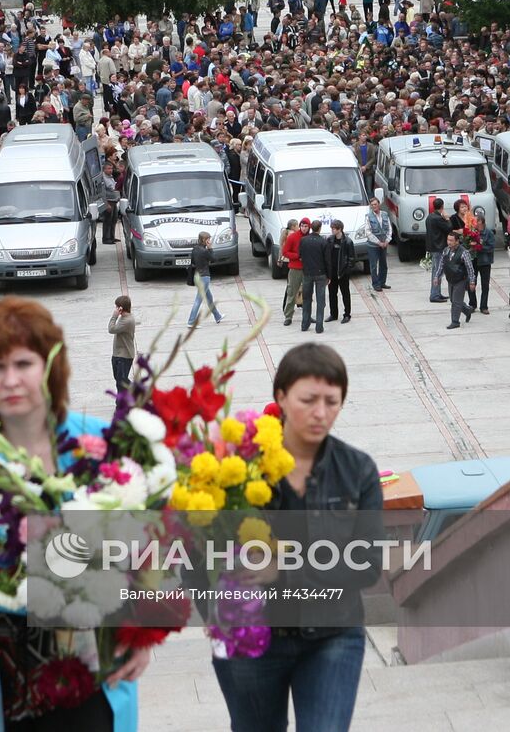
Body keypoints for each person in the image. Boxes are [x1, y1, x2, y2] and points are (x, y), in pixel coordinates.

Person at [0, 298, 145, 731]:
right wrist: (22, 582)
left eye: (23, 363)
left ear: (50, 365)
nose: (10, 380)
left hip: (88, 671)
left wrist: (138, 632)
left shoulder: (95, 439)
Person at [211, 343, 380, 732]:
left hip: (333, 633)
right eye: (309, 400)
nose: (321, 413)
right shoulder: (238, 467)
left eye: (332, 402)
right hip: (251, 636)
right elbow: (196, 549)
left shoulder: (357, 471)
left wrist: (284, 570)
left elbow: (367, 564)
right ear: (281, 397)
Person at [436, 231, 475, 329]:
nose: (449, 242)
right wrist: (437, 276)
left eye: (451, 240)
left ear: (457, 241)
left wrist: (472, 281)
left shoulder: (464, 252)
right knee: (453, 300)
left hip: (460, 280)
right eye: (448, 240)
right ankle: (467, 310)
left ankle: (455, 321)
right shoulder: (446, 250)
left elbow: (470, 268)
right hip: (450, 279)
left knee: (456, 302)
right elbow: (441, 264)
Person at [186, 231, 224, 327]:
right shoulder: (205, 251)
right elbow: (214, 259)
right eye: (208, 239)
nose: (209, 241)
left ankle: (217, 316)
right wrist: (210, 248)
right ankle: (191, 322)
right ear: (204, 240)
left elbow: (193, 261)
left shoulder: (194, 249)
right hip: (204, 277)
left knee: (209, 298)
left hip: (197, 276)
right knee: (198, 300)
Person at [324, 219, 355, 324]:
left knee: (345, 294)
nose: (332, 230)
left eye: (334, 228)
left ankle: (347, 314)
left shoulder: (348, 242)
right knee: (332, 294)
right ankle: (333, 314)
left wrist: (346, 271)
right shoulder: (330, 240)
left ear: (340, 229)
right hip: (332, 273)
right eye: (332, 228)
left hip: (342, 273)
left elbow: (351, 258)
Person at [281, 218, 307, 326]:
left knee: (307, 293)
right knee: (291, 292)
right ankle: (288, 316)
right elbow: (285, 252)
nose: (304, 228)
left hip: (307, 269)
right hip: (295, 269)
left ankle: (307, 315)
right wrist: (297, 256)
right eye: (302, 226)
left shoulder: (310, 238)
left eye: (306, 226)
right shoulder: (292, 237)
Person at [108, 295, 137, 392]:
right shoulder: (124, 317)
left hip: (124, 356)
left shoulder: (127, 320)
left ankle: (121, 405)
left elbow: (111, 329)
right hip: (117, 354)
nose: (115, 309)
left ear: (121, 308)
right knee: (120, 380)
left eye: (117, 307)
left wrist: (114, 316)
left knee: (121, 383)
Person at [426, 198, 451, 301]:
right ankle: (435, 295)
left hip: (433, 247)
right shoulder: (438, 218)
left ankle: (437, 292)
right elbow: (449, 228)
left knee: (436, 271)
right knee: (438, 271)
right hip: (439, 247)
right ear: (442, 206)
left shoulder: (429, 217)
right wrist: (447, 218)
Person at [364, 197, 391, 292]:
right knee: (374, 265)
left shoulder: (385, 214)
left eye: (375, 204)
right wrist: (378, 242)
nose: (374, 206)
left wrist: (387, 240)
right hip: (373, 245)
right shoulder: (368, 216)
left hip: (384, 243)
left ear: (379, 204)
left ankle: (382, 282)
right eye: (372, 205)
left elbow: (389, 229)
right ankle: (375, 284)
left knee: (384, 264)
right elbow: (368, 232)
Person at [473, 215, 496, 314]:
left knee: (485, 285)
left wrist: (480, 246)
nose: (474, 223)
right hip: (473, 260)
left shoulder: (489, 233)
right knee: (472, 283)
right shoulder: (472, 232)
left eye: (476, 221)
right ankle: (472, 304)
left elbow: (491, 248)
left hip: (485, 262)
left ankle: (484, 306)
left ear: (481, 222)